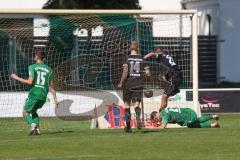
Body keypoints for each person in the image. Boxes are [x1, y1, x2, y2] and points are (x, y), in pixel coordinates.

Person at [10, 50, 58, 135]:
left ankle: (33, 125)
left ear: (38, 57)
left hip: (34, 94)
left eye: (35, 55)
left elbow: (29, 82)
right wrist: (55, 99)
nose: (34, 56)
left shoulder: (32, 67)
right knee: (34, 111)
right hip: (43, 96)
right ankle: (37, 130)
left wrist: (16, 78)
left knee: (25, 112)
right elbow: (51, 87)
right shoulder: (49, 70)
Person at [144, 48, 182, 112]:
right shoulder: (167, 57)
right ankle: (175, 90)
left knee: (164, 96)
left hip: (174, 76)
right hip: (178, 75)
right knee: (165, 95)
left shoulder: (161, 56)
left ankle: (161, 113)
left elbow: (152, 54)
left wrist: (143, 58)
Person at [118, 41, 144, 133]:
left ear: (130, 48)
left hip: (129, 83)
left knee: (127, 105)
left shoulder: (127, 58)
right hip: (139, 83)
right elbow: (148, 73)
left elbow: (125, 71)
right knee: (136, 104)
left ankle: (128, 127)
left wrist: (121, 82)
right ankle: (137, 116)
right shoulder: (142, 58)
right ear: (137, 48)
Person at [150, 107, 220, 129]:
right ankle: (213, 117)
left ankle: (213, 125)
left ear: (156, 115)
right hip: (188, 111)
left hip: (188, 116)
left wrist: (153, 128)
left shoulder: (164, 115)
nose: (158, 121)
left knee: (192, 125)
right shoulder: (163, 111)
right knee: (196, 122)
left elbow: (163, 127)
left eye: (156, 120)